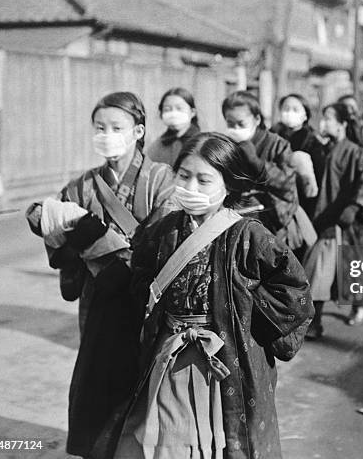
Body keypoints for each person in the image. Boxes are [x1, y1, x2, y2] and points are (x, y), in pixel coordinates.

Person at [112, 132, 313, 459]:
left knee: (225, 443)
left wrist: (246, 316)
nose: (190, 188)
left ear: (229, 185)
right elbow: (141, 275)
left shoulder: (249, 234)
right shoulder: (164, 231)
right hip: (172, 355)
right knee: (170, 440)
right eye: (184, 176)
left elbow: (294, 291)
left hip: (228, 359)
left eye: (204, 180)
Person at [25, 92, 176, 459]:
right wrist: (49, 220)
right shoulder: (81, 186)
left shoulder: (161, 178)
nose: (107, 134)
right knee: (98, 377)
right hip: (98, 299)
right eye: (99, 127)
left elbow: (164, 241)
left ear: (138, 131)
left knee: (144, 378)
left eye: (116, 128)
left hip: (144, 296)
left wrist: (97, 240)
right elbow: (59, 243)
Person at [304, 103, 363, 338]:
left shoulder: (356, 153)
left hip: (345, 223)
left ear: (343, 124)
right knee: (317, 272)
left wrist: (355, 207)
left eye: (328, 119)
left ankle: (359, 304)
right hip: (321, 218)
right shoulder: (318, 148)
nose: (323, 123)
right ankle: (315, 322)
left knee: (349, 273)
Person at [221, 91, 300, 247]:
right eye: (230, 124)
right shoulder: (227, 145)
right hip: (235, 218)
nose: (235, 128)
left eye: (241, 124)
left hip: (272, 221)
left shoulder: (277, 144)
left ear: (257, 119)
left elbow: (287, 182)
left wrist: (256, 162)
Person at [271, 93, 326, 218]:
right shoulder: (273, 135)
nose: (290, 113)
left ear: (305, 115)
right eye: (286, 109)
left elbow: (318, 176)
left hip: (302, 201)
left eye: (295, 109)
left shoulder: (312, 141)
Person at [146, 88, 201, 170]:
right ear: (161, 114)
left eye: (179, 108)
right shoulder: (157, 145)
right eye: (167, 109)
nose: (173, 114)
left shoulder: (201, 142)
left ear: (192, 112)